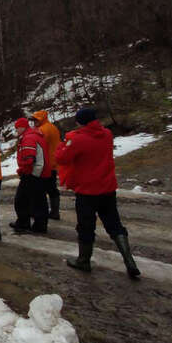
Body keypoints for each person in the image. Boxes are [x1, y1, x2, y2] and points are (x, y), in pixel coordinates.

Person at [56, 108, 141, 278]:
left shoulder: (78, 139)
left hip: (87, 190)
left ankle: (84, 260)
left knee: (86, 226)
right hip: (107, 188)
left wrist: (63, 144)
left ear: (81, 122)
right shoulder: (107, 134)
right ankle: (129, 261)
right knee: (114, 224)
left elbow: (61, 159)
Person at [11, 117, 51, 233]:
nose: (16, 131)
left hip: (33, 173)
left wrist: (24, 171)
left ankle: (25, 223)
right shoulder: (35, 135)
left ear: (22, 127)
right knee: (38, 199)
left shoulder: (28, 138)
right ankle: (39, 224)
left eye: (17, 128)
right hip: (41, 172)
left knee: (22, 200)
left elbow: (29, 159)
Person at [30, 110, 62, 219]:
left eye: (36, 120)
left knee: (39, 190)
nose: (34, 122)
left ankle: (39, 213)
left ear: (41, 119)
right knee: (52, 188)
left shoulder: (43, 130)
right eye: (33, 120)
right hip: (52, 163)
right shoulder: (53, 127)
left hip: (44, 164)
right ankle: (55, 211)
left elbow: (37, 146)